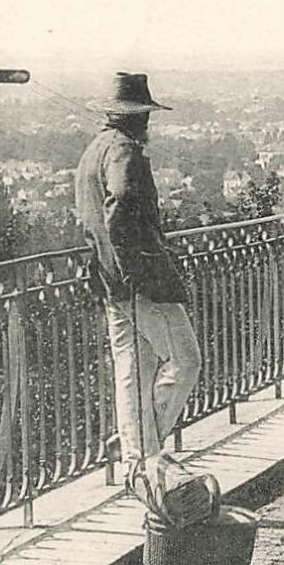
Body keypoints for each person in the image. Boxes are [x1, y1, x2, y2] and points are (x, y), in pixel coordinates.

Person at [74, 73, 201, 478]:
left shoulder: (93, 150)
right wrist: (139, 265)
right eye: (145, 116)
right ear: (137, 117)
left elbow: (92, 218)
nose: (148, 124)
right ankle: (145, 449)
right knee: (186, 361)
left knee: (133, 370)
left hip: (109, 280)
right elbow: (123, 202)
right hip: (139, 280)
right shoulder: (124, 150)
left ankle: (134, 454)